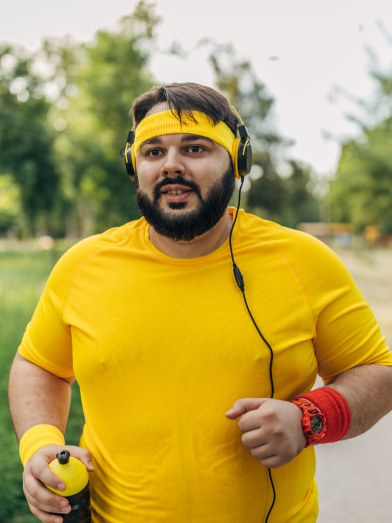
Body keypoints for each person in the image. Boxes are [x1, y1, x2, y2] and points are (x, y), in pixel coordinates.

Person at [8, 83, 392, 523]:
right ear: (135, 167)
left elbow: (378, 372)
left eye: (194, 148)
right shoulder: (82, 265)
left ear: (238, 164)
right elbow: (38, 365)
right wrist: (39, 444)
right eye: (153, 152)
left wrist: (309, 419)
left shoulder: (303, 262)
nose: (171, 165)